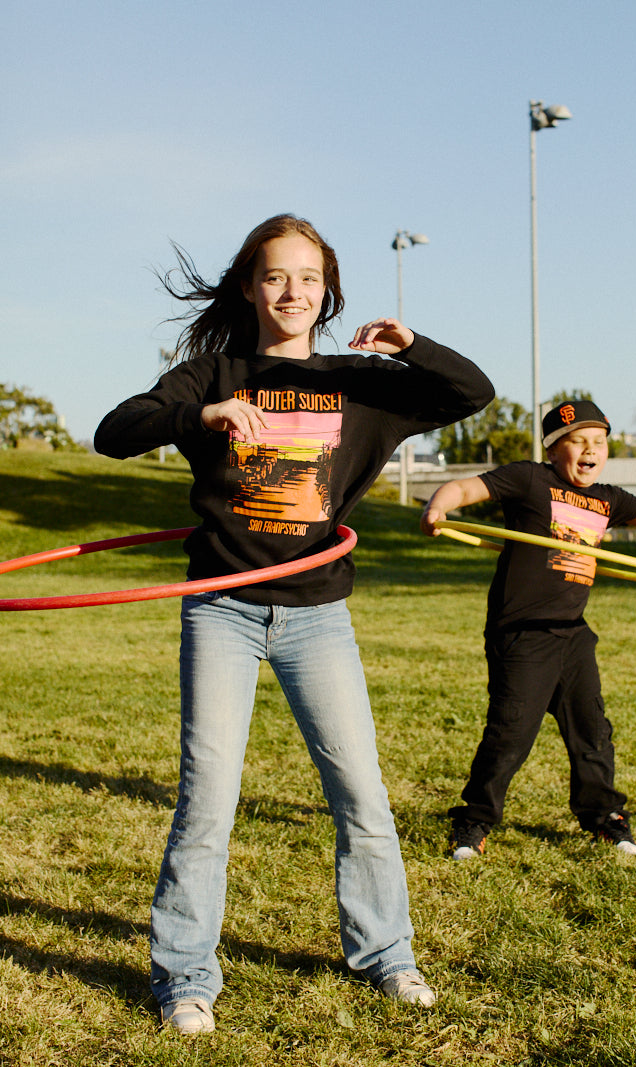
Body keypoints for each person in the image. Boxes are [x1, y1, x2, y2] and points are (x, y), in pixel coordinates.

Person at [94, 213, 494, 1033]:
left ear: (328, 290)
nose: (292, 292)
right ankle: (185, 978)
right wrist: (198, 418)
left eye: (309, 278)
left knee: (361, 792)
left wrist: (412, 345)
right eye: (275, 276)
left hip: (320, 617)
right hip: (223, 609)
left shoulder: (359, 383)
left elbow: (472, 393)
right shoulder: (215, 373)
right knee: (207, 797)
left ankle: (388, 956)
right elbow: (113, 432)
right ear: (250, 286)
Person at [420, 399, 636, 862]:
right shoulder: (530, 480)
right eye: (578, 442)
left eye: (599, 442)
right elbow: (462, 488)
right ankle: (474, 820)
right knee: (511, 733)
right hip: (523, 633)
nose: (590, 450)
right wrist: (439, 507)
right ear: (554, 450)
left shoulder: (608, 498)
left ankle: (605, 818)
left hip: (573, 634)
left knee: (592, 730)